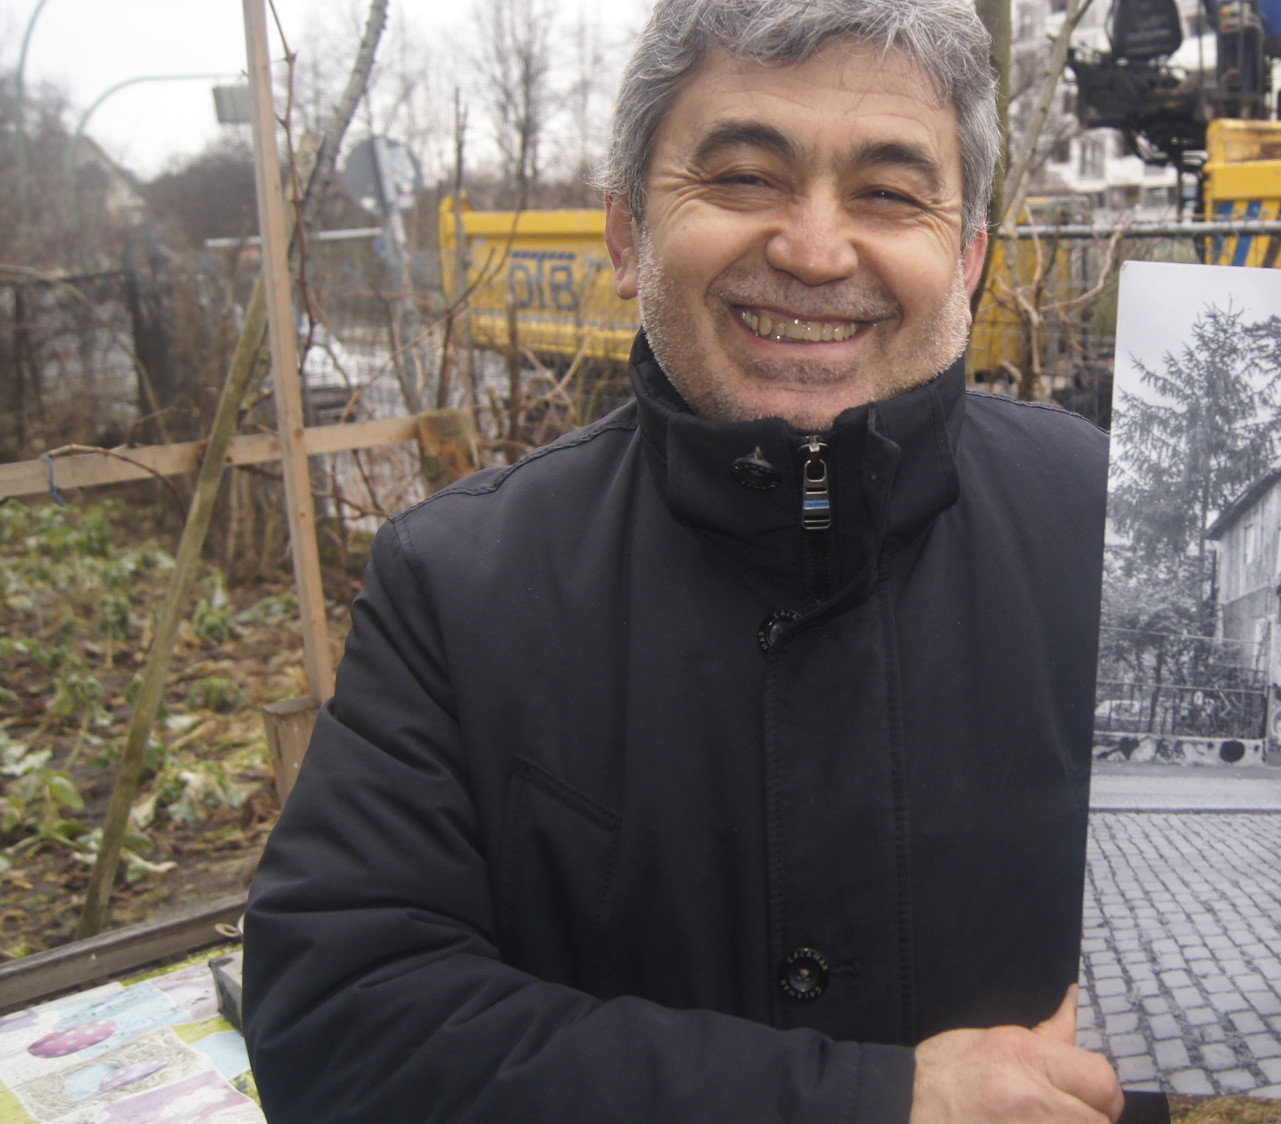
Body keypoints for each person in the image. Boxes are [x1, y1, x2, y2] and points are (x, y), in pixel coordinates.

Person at [242, 2, 1121, 1121]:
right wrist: (882, 1101)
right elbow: (345, 1028)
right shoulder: (460, 585)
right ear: (626, 234)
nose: (812, 248)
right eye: (746, 176)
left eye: (889, 193)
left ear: (968, 257)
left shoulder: (1111, 530)